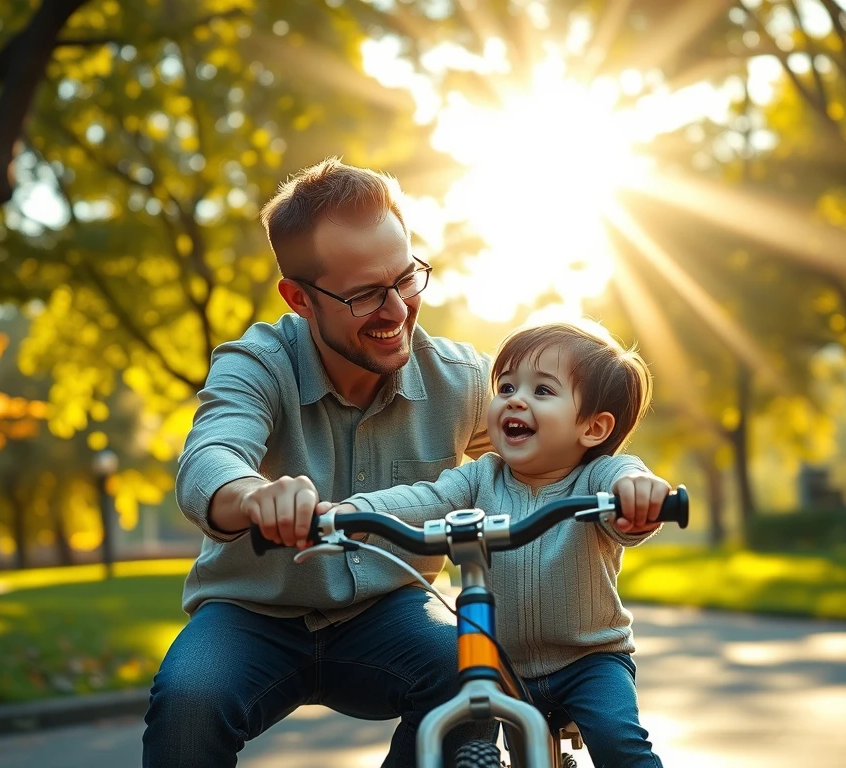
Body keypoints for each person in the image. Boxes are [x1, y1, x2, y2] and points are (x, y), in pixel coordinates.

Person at [142, 158, 672, 768]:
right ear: (300, 299)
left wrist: (629, 492)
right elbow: (211, 456)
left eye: (407, 279)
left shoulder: (465, 380)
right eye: (366, 294)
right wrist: (250, 494)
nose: (397, 310)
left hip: (389, 612)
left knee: (470, 673)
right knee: (189, 699)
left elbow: (566, 445)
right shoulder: (256, 363)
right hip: (254, 612)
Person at [330, 322, 669, 768]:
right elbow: (425, 499)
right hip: (501, 666)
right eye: (506, 385)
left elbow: (630, 484)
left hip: (589, 662)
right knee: (484, 742)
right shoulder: (480, 478)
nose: (515, 398)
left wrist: (639, 496)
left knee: (618, 743)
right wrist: (348, 513)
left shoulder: (599, 480)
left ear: (593, 428)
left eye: (543, 391)